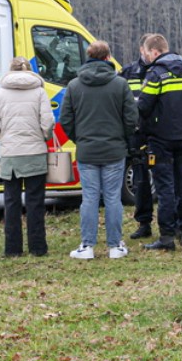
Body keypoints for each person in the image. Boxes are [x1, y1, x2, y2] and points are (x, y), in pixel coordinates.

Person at [60, 40, 139, 260]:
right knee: (113, 197)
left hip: (87, 150)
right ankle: (115, 246)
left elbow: (65, 119)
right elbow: (131, 118)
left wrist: (80, 139)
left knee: (89, 198)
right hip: (114, 149)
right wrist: (122, 138)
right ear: (108, 57)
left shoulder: (74, 85)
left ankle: (87, 246)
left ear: (88, 57)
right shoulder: (120, 84)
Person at [0, 57, 54, 257]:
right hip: (35, 154)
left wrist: (3, 137)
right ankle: (38, 247)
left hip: (11, 155)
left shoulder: (0, 93)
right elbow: (48, 122)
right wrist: (43, 137)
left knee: (11, 203)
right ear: (30, 70)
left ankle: (12, 249)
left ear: (11, 70)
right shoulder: (39, 92)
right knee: (35, 202)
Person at [137, 34, 182, 251]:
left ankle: (166, 236)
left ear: (155, 52)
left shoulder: (156, 74)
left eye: (147, 53)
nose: (146, 57)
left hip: (160, 139)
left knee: (165, 188)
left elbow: (143, 106)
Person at [120, 37, 156, 240]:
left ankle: (172, 224)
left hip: (158, 132)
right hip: (137, 134)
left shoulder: (162, 70)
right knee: (140, 182)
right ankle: (144, 223)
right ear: (142, 49)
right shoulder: (128, 72)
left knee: (164, 181)